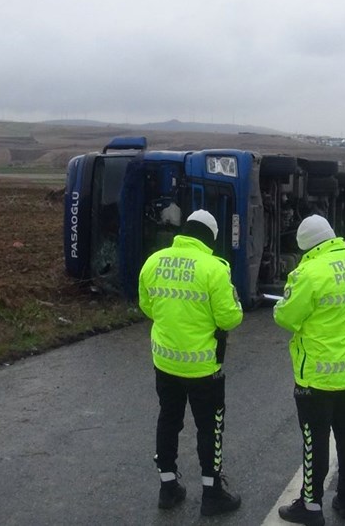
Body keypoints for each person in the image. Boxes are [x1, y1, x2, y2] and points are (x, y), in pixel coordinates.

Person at [273, 215, 345, 525]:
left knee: (314, 440)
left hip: (316, 376)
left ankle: (310, 505)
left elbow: (287, 318)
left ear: (307, 245)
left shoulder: (307, 273)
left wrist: (284, 303)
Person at [138, 209, 244, 516]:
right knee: (209, 428)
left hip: (165, 362)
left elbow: (148, 306)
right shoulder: (214, 268)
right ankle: (212, 494)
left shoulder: (154, 261)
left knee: (168, 419)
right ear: (210, 237)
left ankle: (168, 488)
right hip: (202, 367)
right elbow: (229, 317)